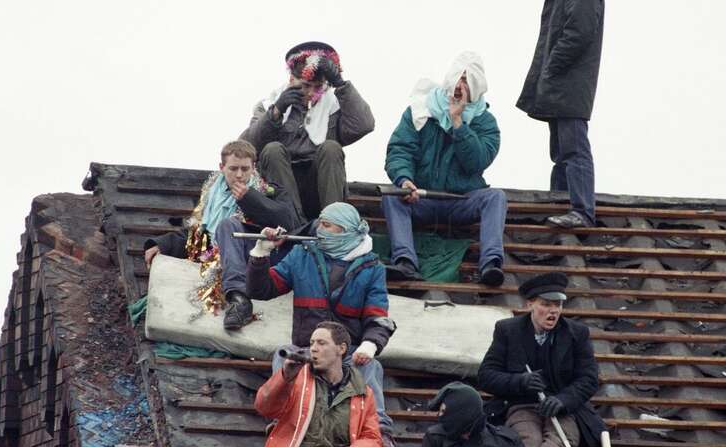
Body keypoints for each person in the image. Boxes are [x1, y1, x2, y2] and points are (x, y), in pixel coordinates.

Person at [246, 202, 397, 447]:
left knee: (372, 368)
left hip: (347, 354)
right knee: (283, 355)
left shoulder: (372, 269)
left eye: (327, 225)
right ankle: (282, 420)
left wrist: (369, 345)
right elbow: (261, 289)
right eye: (320, 223)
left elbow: (378, 316)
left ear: (346, 229)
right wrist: (261, 253)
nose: (319, 229)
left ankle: (381, 433)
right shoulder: (301, 255)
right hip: (308, 350)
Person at [143, 140, 300, 330]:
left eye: (245, 169)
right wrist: (163, 244)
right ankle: (238, 298)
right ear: (221, 167)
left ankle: (239, 299)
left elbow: (288, 221)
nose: (240, 175)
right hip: (219, 253)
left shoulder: (270, 190)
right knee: (225, 226)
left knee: (228, 225)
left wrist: (250, 198)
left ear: (254, 167)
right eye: (233, 168)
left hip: (260, 255)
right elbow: (200, 234)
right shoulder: (212, 193)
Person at [382, 51, 507, 286]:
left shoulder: (485, 122)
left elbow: (477, 161)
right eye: (458, 80)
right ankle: (405, 261)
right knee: (392, 196)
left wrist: (458, 124)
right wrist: (404, 180)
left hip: (461, 200)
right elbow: (400, 150)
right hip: (421, 197)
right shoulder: (421, 110)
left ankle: (490, 264)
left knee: (495, 197)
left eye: (466, 82)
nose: (460, 87)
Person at [240, 41, 375, 222]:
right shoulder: (268, 105)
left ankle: (333, 222)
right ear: (291, 80)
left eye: (317, 87)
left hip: (318, 185)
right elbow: (248, 146)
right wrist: (277, 111)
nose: (310, 93)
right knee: (272, 149)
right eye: (305, 85)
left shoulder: (332, 107)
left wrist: (341, 85)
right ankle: (294, 222)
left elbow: (363, 125)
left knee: (331, 148)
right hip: (280, 189)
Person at [477, 272, 606, 447]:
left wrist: (563, 400)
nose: (553, 310)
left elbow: (589, 378)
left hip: (563, 410)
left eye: (558, 304)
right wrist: (520, 381)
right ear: (530, 304)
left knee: (558, 444)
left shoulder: (577, 333)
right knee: (527, 442)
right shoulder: (507, 330)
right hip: (521, 407)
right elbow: (486, 375)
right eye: (546, 304)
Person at [516, 0, 605, 228]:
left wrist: (552, 66)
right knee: (562, 152)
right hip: (563, 84)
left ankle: (582, 212)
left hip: (569, 84)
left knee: (574, 148)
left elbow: (580, 31)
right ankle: (560, 204)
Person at [255, 320, 383, 447]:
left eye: (321, 343)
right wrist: (285, 377)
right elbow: (264, 408)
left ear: (341, 348)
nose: (313, 348)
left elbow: (372, 437)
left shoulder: (362, 392)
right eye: (312, 343)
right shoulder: (296, 380)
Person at [423, 382, 524, 447]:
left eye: (444, 412)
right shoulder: (436, 438)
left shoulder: (507, 442)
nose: (440, 417)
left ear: (460, 414)